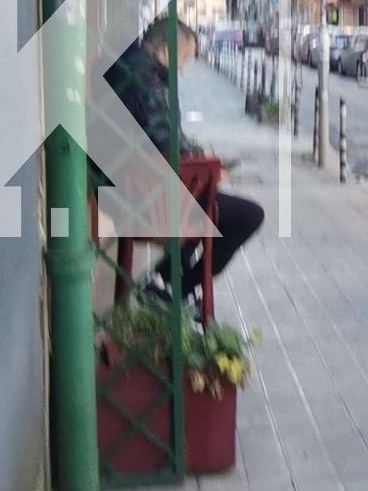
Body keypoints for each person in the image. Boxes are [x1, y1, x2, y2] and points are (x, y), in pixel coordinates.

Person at [109, 16, 264, 302]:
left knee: (202, 197)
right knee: (249, 215)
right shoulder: (149, 85)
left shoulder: (127, 70)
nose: (181, 69)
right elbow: (167, 146)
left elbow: (160, 141)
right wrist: (209, 170)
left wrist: (197, 158)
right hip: (147, 200)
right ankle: (180, 287)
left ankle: (165, 280)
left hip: (125, 189)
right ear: (166, 51)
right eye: (183, 59)